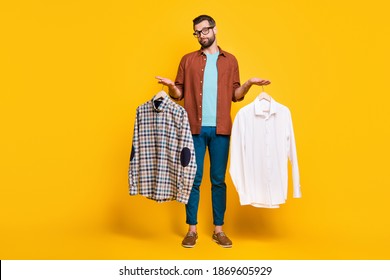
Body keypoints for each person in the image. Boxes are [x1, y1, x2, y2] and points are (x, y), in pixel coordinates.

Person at [156, 15, 270, 248]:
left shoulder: (230, 61)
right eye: (197, 33)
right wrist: (171, 87)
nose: (201, 36)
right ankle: (192, 230)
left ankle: (219, 230)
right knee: (193, 180)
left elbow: (235, 96)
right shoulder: (187, 60)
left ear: (214, 29)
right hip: (193, 129)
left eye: (204, 31)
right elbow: (179, 95)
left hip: (221, 130)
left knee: (218, 180)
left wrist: (248, 83)